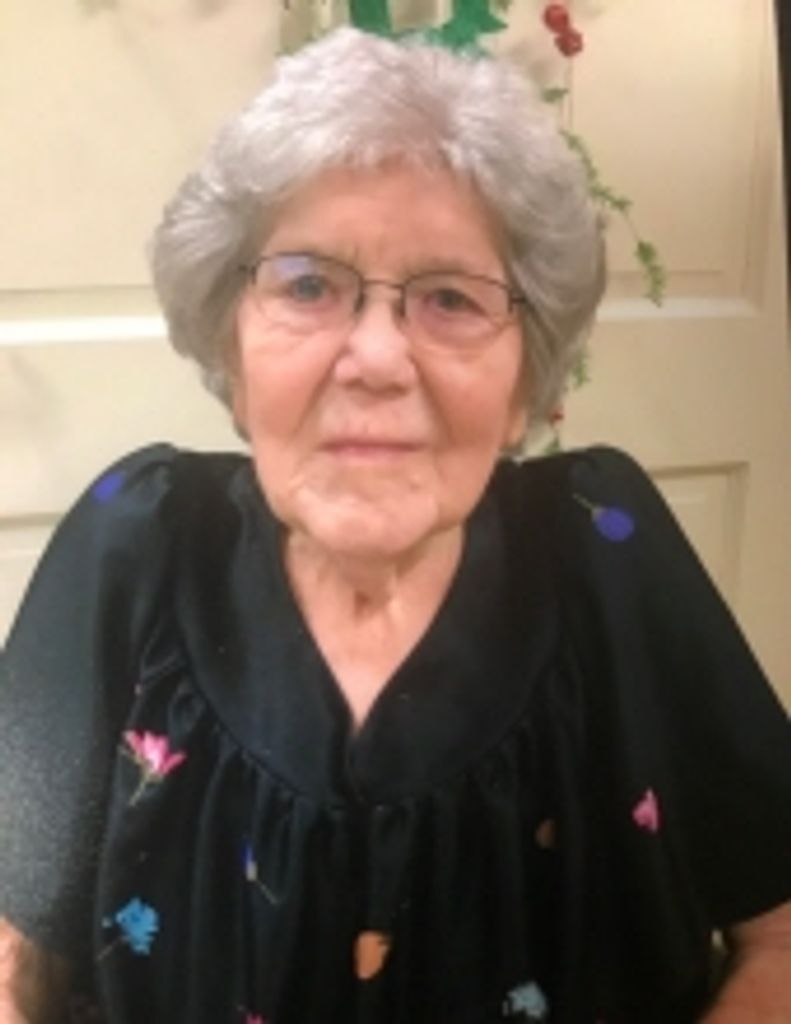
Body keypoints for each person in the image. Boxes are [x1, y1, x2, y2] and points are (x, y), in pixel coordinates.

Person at [1, 25, 790, 1024]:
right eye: (307, 284)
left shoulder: (603, 545)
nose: (375, 358)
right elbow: (12, 959)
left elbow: (778, 936)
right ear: (232, 352)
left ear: (526, 381)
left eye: (450, 297)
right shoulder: (137, 542)